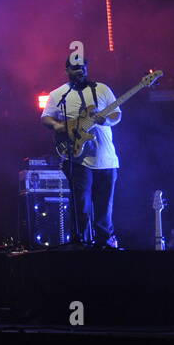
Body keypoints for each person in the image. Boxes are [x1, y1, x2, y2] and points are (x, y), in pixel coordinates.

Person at [41, 57, 122, 247]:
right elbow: (46, 119)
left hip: (106, 159)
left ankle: (105, 244)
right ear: (67, 69)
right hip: (79, 159)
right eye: (76, 68)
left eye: (84, 67)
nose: (81, 70)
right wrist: (63, 127)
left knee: (104, 207)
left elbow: (117, 114)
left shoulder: (102, 89)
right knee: (82, 206)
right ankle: (83, 244)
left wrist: (106, 121)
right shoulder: (59, 94)